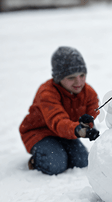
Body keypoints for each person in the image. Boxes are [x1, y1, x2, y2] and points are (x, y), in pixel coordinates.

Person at [19, 46, 100, 175]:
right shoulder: (47, 93)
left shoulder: (87, 92)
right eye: (71, 77)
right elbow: (57, 121)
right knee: (55, 164)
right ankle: (38, 159)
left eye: (82, 75)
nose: (78, 82)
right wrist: (78, 130)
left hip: (67, 132)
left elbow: (92, 110)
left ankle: (60, 150)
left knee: (82, 161)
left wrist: (88, 126)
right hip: (41, 133)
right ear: (58, 77)